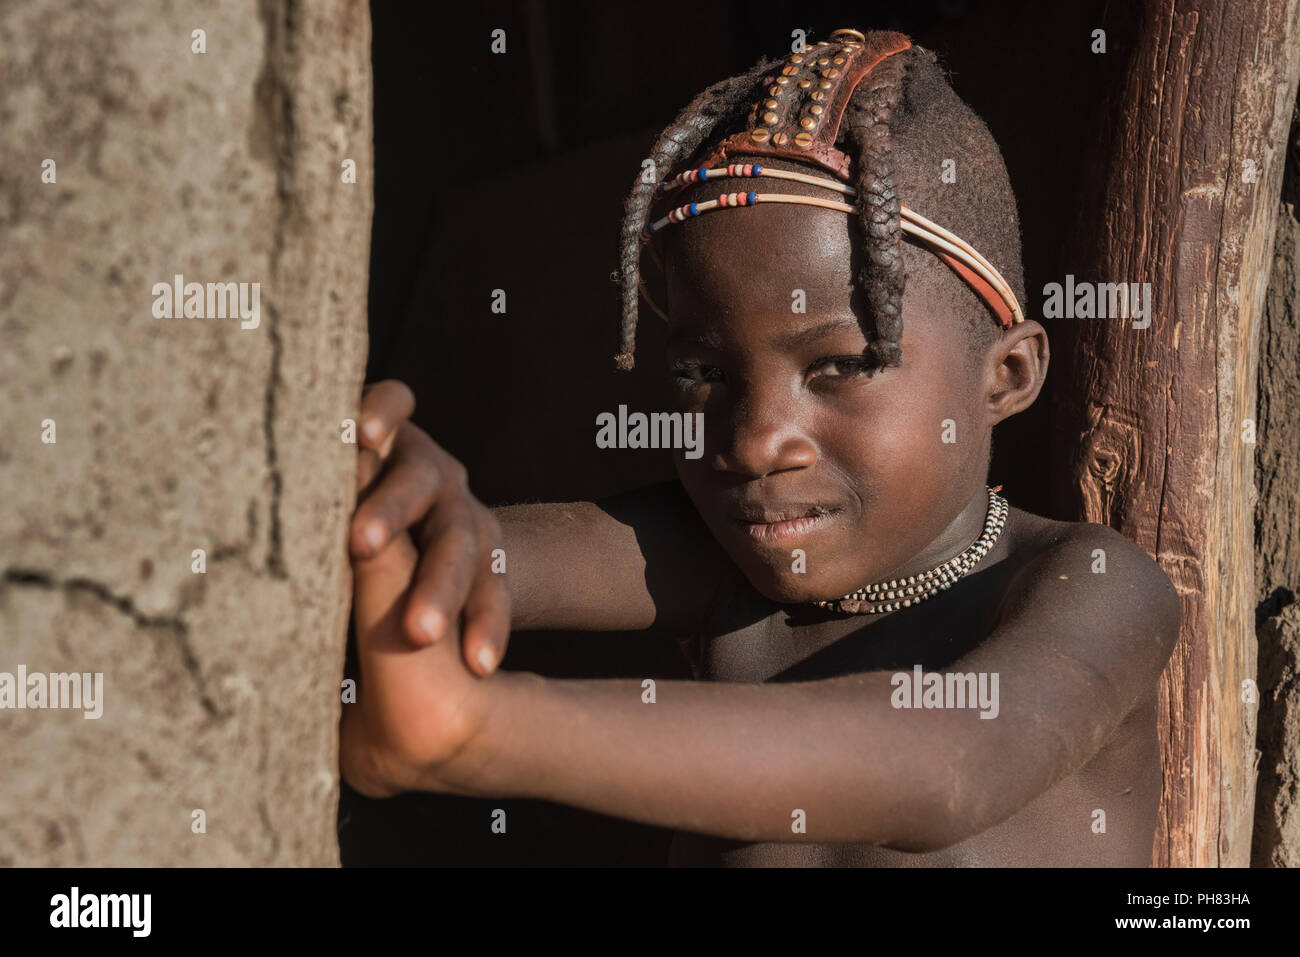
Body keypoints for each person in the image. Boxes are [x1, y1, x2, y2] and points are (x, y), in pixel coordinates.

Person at [339, 29, 1180, 866]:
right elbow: (483, 558)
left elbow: (948, 768)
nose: (754, 441)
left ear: (1007, 375)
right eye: (704, 370)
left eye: (841, 364)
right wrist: (406, 510)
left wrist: (479, 730)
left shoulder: (1098, 591)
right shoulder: (723, 565)